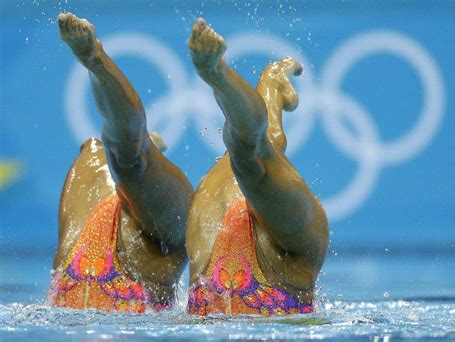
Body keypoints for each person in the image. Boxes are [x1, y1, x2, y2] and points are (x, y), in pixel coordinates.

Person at [48, 12, 194, 313]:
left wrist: (92, 59)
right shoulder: (90, 172)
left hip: (160, 217)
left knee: (127, 156)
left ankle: (94, 58)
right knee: (111, 153)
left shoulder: (162, 230)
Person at [186, 18, 329, 316]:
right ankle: (270, 87)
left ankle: (224, 75)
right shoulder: (210, 225)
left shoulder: (297, 250)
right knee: (252, 151)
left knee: (248, 153)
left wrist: (216, 74)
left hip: (292, 247)